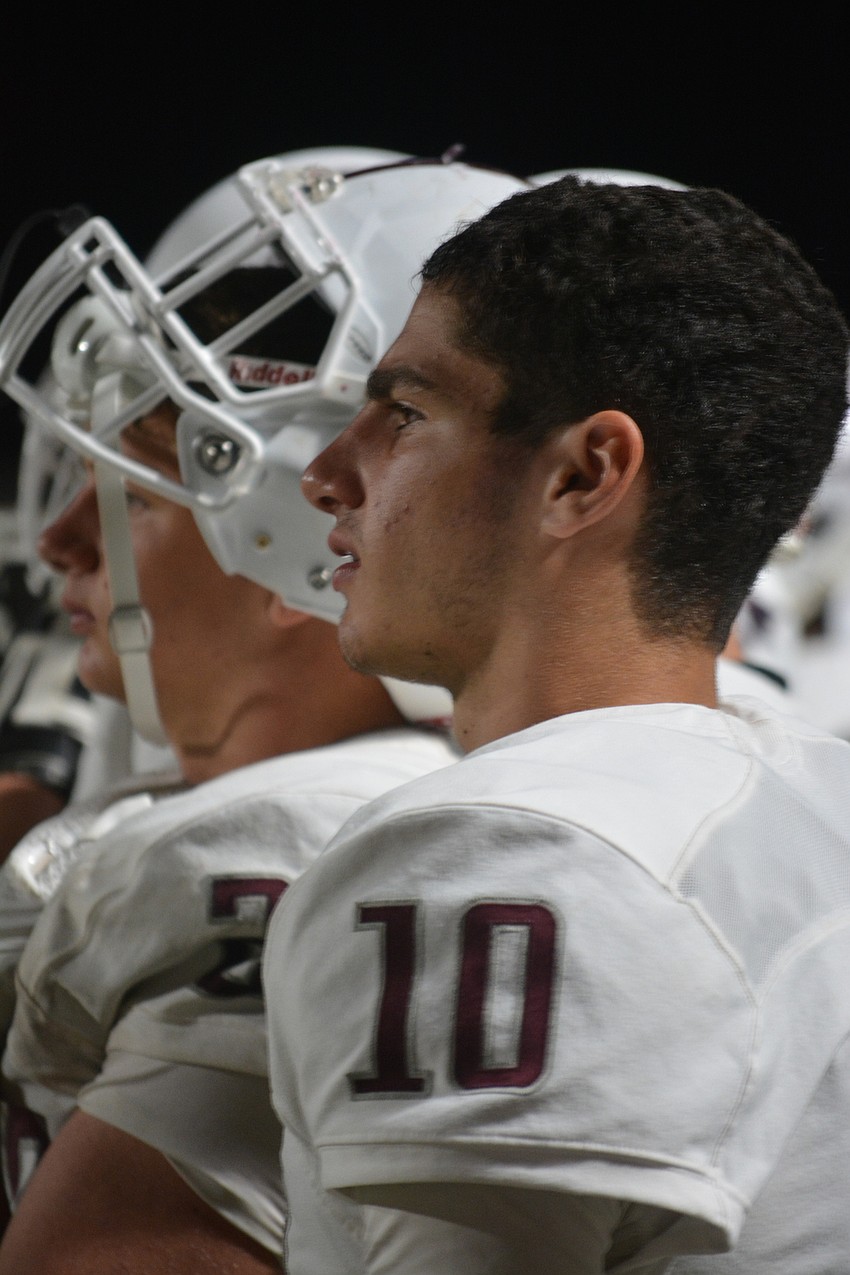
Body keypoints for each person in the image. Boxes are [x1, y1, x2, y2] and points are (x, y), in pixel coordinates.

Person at [262, 175, 850, 1271]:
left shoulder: (507, 849)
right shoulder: (819, 801)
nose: (327, 473)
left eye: (406, 413)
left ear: (583, 475)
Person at [0, 148, 529, 1271]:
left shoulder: (307, 844)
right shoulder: (207, 809)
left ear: (308, 538)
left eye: (134, 496)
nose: (57, 545)